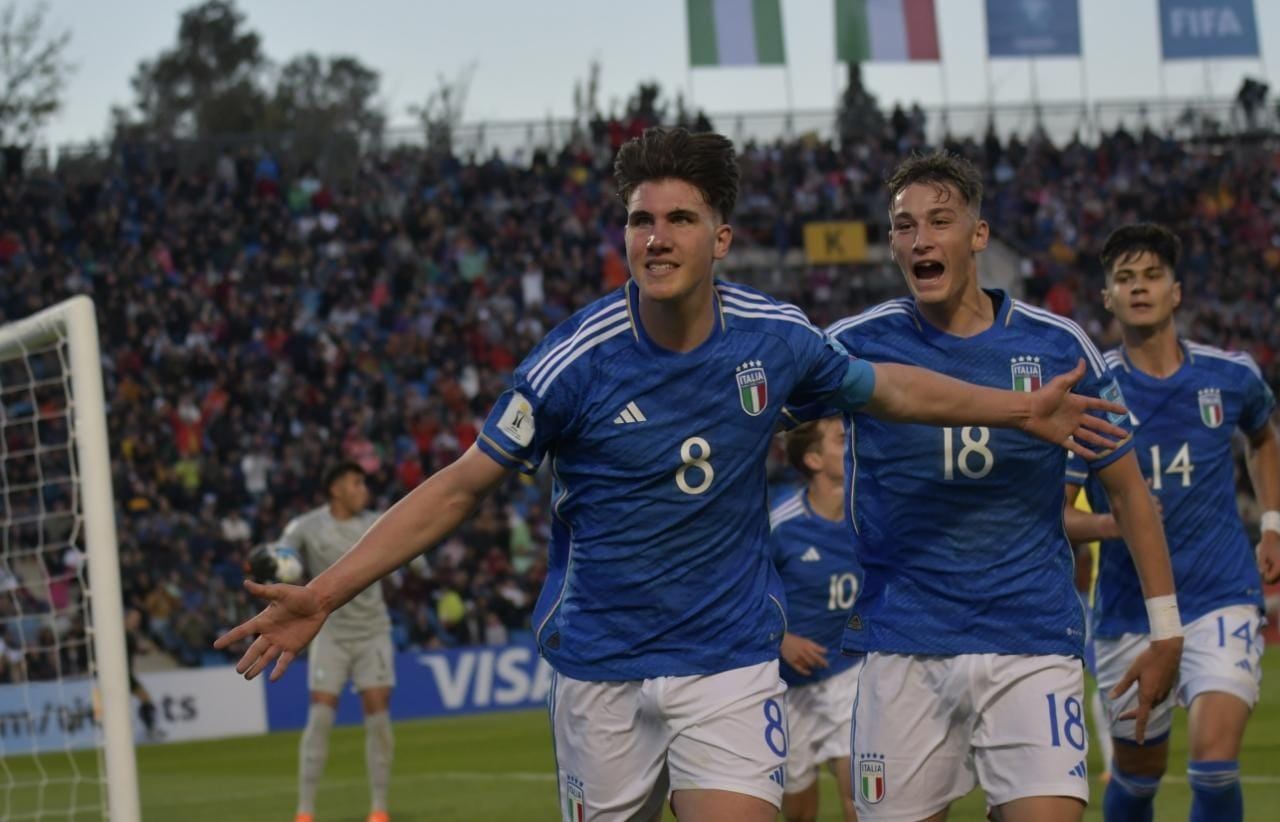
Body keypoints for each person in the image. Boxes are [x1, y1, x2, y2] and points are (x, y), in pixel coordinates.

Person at [216, 127, 1127, 822]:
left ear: (720, 238)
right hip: (600, 666)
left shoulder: (775, 338)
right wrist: (326, 592)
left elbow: (887, 387)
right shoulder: (577, 360)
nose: (655, 237)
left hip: (728, 664)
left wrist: (1018, 408)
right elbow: (460, 485)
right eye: (640, 220)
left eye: (679, 218)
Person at [803, 152, 1182, 822]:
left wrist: (1168, 632)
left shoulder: (1059, 345)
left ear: (978, 235)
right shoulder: (855, 345)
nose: (920, 239)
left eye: (939, 222)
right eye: (904, 226)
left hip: (1030, 640)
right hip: (903, 646)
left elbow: (1127, 491)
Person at [1063, 223, 1280, 822]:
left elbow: (1264, 437)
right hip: (1129, 611)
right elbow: (1053, 514)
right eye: (1125, 279)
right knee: (1137, 775)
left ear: (1176, 292)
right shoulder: (1090, 392)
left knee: (1214, 764)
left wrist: (1273, 524)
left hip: (1220, 594)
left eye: (1152, 276)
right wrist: (1112, 526)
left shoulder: (1229, 375)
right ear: (1107, 297)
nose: (1139, 289)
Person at [273, 462, 392, 822]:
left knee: (378, 716)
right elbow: (282, 550)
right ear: (336, 489)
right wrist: (279, 562)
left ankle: (379, 809)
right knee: (321, 717)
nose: (364, 489)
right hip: (331, 635)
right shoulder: (306, 526)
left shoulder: (377, 523)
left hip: (373, 632)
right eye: (357, 483)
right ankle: (305, 811)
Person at [770, 417, 861, 822]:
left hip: (848, 671)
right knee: (800, 812)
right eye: (843, 440)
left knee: (859, 801)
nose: (854, 445)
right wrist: (782, 639)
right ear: (813, 459)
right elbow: (743, 591)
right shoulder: (780, 523)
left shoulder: (870, 516)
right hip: (785, 684)